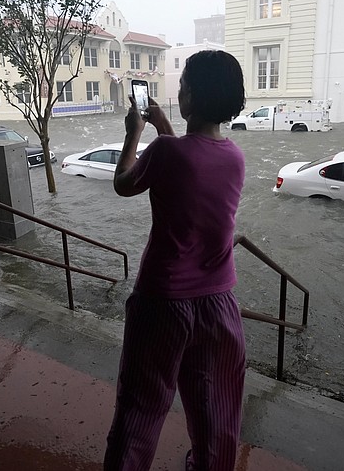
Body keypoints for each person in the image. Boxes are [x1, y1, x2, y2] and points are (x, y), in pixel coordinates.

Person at [104, 50, 247, 471]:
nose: (178, 92)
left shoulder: (167, 154)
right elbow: (184, 151)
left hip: (163, 303)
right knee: (216, 412)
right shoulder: (235, 158)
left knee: (141, 409)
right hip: (219, 306)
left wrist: (134, 131)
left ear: (192, 97)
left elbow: (123, 183)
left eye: (182, 86)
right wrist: (162, 127)